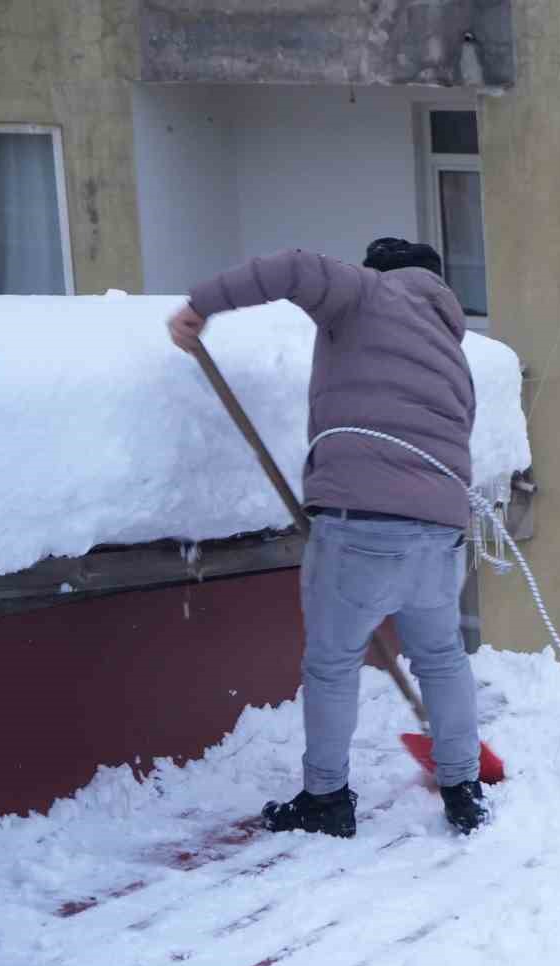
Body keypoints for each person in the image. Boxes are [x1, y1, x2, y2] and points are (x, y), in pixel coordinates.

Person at [167, 238, 489, 836]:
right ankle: (463, 789)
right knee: (442, 659)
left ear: (380, 272)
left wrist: (200, 306)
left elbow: (291, 268)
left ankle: (327, 799)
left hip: (360, 521)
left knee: (333, 665)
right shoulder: (452, 351)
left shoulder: (366, 292)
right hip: (442, 531)